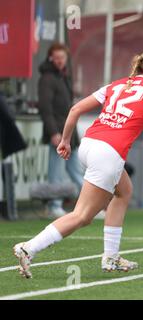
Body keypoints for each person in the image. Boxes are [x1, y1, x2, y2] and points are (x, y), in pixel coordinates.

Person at [13, 51, 143, 278]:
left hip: (89, 144)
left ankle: (111, 258)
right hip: (108, 153)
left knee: (124, 191)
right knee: (82, 216)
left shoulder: (116, 85)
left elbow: (75, 110)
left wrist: (65, 140)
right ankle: (28, 248)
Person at [37, 42, 84, 218]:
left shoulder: (63, 76)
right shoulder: (47, 79)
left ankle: (90, 204)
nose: (59, 61)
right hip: (58, 132)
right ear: (51, 58)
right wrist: (54, 133)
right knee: (56, 171)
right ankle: (54, 205)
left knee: (75, 170)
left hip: (68, 132)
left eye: (62, 58)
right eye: (56, 58)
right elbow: (45, 108)